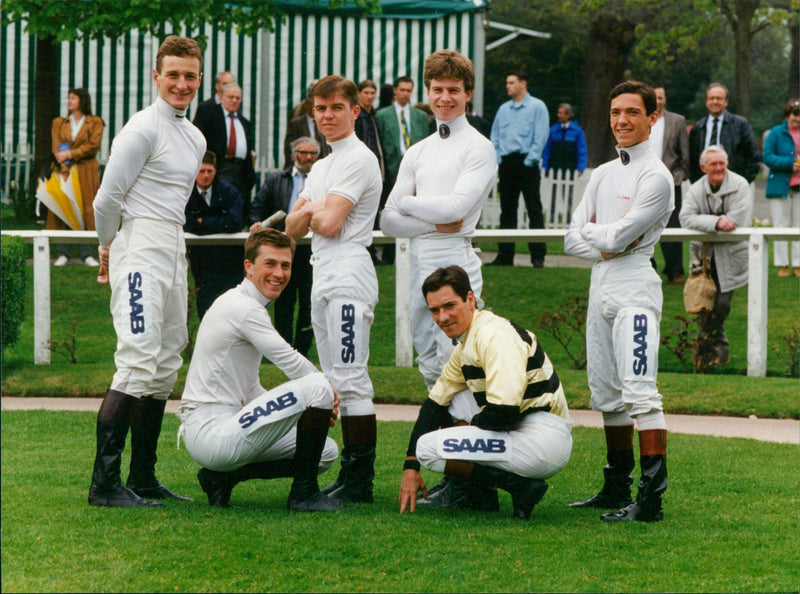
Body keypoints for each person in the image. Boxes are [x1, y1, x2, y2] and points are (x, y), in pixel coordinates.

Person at [89, 35, 206, 508]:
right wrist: (106, 246)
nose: (181, 84)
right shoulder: (142, 129)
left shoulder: (194, 136)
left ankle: (142, 477)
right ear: (155, 76)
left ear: (198, 79)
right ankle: (104, 485)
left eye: (190, 76)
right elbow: (105, 199)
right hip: (139, 244)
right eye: (173, 74)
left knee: (164, 363)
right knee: (137, 359)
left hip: (173, 247)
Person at [380, 50, 497, 503]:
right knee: (431, 365)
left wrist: (414, 205)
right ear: (427, 94)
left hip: (455, 257)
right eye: (437, 89)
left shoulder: (478, 147)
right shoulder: (419, 150)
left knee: (464, 366)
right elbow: (389, 220)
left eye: (453, 89)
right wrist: (428, 214)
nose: (444, 98)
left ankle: (478, 474)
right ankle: (461, 469)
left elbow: (456, 211)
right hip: (419, 257)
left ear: (467, 93)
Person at [564, 81, 674, 523]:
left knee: (641, 393)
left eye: (632, 112)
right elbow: (573, 239)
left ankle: (650, 500)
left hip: (634, 285)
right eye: (615, 112)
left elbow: (615, 237)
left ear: (652, 117)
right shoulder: (603, 173)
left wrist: (602, 236)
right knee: (606, 395)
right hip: (601, 280)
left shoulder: (657, 177)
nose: (622, 121)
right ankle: (615, 488)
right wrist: (603, 239)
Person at [178, 228, 344, 512]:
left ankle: (222, 478)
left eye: (285, 265)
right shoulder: (243, 308)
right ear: (248, 266)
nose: (279, 273)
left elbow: (251, 388)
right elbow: (290, 361)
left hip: (227, 425)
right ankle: (303, 496)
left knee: (324, 451)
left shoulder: (248, 305)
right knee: (316, 386)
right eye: (270, 264)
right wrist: (325, 393)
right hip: (210, 430)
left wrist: (300, 415)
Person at [397, 266, 572, 520]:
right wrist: (410, 467)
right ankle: (482, 493)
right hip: (529, 432)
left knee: (428, 449)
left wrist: (470, 425)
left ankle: (516, 486)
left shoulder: (494, 334)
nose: (442, 317)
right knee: (452, 399)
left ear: (470, 299)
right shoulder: (468, 341)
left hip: (542, 439)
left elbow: (504, 414)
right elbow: (434, 404)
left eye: (449, 306)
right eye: (435, 310)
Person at [285, 75, 382, 504]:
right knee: (331, 380)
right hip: (321, 270)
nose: (327, 116)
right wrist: (312, 210)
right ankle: (347, 480)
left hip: (349, 270)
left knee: (351, 378)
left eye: (336, 108)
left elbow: (327, 224)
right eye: (320, 109)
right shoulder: (321, 165)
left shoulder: (359, 159)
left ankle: (359, 482)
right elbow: (290, 229)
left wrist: (312, 208)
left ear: (354, 111)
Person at [680, 145, 751, 368]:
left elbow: (737, 219)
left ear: (727, 164)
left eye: (722, 163)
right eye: (713, 164)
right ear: (703, 167)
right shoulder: (695, 189)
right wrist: (717, 222)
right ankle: (713, 353)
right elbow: (686, 218)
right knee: (703, 305)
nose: (719, 167)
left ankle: (708, 347)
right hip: (704, 258)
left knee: (722, 305)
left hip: (730, 256)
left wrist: (709, 223)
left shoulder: (740, 185)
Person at [249, 136, 320, 357]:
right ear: (293, 154)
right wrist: (256, 223)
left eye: (312, 154)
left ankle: (302, 350)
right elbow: (256, 207)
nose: (308, 157)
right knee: (283, 303)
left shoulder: (321, 181)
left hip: (312, 249)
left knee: (309, 302)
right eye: (303, 153)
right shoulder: (275, 179)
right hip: (282, 248)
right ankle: (283, 350)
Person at [489, 70, 550, 267]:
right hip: (507, 163)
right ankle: (505, 256)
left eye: (511, 82)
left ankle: (538, 257)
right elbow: (495, 136)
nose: (507, 86)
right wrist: (498, 158)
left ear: (523, 83)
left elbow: (540, 136)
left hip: (527, 164)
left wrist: (530, 159)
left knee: (534, 210)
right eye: (507, 82)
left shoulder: (537, 107)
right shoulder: (503, 109)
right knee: (507, 210)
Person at [375, 76, 430, 265]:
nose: (406, 94)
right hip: (392, 168)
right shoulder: (382, 115)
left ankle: (415, 252)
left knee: (414, 210)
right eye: (403, 90)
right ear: (395, 91)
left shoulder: (421, 117)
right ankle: (390, 254)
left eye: (409, 90)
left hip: (416, 168)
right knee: (392, 210)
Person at [184, 151, 244, 320]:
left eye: (209, 171)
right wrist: (218, 222)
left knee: (231, 305)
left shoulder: (228, 190)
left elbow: (235, 222)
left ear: (215, 171)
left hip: (230, 258)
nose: (205, 176)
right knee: (206, 305)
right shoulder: (185, 193)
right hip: (201, 258)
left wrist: (203, 221)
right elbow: (187, 223)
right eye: (201, 171)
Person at [49, 87, 104, 267]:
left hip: (86, 171)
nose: (69, 101)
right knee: (64, 208)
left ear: (82, 100)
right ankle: (63, 253)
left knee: (86, 209)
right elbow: (58, 148)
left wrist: (71, 154)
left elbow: (93, 146)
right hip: (64, 169)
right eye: (68, 98)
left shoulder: (95, 122)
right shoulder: (59, 122)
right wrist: (64, 170)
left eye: (73, 98)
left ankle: (86, 253)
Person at [193, 82, 256, 221]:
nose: (234, 100)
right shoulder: (211, 116)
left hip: (241, 172)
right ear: (221, 98)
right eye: (231, 97)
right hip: (221, 168)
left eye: (238, 98)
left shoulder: (244, 122)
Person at [651, 86, 690, 285]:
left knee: (673, 227)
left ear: (665, 99)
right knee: (643, 227)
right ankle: (649, 270)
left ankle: (675, 272)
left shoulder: (677, 121)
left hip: (671, 183)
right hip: (644, 183)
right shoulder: (641, 119)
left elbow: (684, 155)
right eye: (654, 97)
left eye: (660, 97)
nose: (657, 101)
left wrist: (678, 177)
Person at [688, 83, 760, 184]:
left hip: (734, 185)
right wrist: (696, 183)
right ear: (706, 102)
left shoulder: (741, 125)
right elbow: (691, 160)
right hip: (704, 186)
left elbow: (753, 157)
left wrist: (743, 182)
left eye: (719, 98)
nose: (715, 101)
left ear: (726, 101)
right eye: (711, 98)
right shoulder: (698, 128)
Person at [762, 98, 800, 278]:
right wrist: (788, 164)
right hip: (780, 185)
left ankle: (798, 264)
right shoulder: (776, 133)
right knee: (781, 226)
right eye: (794, 115)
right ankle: (782, 263)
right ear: (787, 115)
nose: (797, 119)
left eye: (799, 116)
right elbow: (767, 156)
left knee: (798, 226)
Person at [541, 103, 588, 178]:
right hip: (554, 167)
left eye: (561, 113)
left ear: (568, 115)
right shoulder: (552, 130)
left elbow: (582, 151)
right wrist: (545, 166)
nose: (558, 115)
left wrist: (581, 168)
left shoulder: (577, 131)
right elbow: (547, 149)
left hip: (571, 168)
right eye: (558, 113)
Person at [284, 94, 330, 168]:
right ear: (305, 106)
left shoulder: (327, 121)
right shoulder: (296, 124)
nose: (312, 107)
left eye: (314, 105)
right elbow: (289, 147)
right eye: (309, 104)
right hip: (303, 165)